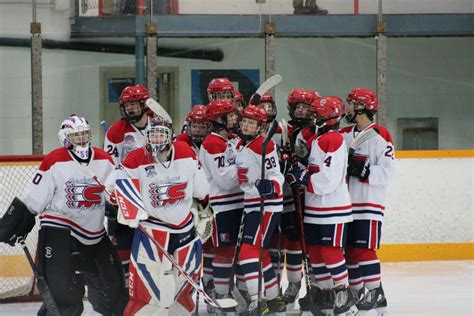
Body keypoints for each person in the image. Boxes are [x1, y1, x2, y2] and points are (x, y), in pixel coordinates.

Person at [0, 115, 127, 316]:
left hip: (94, 233)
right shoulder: (55, 160)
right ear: (65, 138)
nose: (82, 139)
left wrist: (117, 205)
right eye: (76, 135)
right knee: (63, 295)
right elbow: (33, 197)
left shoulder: (104, 159)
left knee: (112, 288)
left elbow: (115, 192)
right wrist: (11, 225)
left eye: (84, 134)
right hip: (60, 232)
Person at [109, 116, 210, 315]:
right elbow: (113, 187)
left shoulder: (185, 152)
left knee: (181, 293)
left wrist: (204, 211)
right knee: (146, 296)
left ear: (170, 136)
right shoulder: (136, 158)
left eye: (160, 134)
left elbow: (202, 190)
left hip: (185, 233)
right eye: (151, 134)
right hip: (152, 232)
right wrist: (122, 202)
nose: (155, 139)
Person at [339, 88, 394, 314]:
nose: (347, 108)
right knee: (349, 252)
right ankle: (356, 291)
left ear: (362, 107)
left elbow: (387, 172)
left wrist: (365, 170)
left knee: (364, 250)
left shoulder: (381, 135)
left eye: (351, 103)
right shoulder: (344, 134)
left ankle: (375, 292)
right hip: (345, 205)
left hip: (368, 205)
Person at [235, 105, 286, 315]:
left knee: (248, 252)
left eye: (251, 123)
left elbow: (276, 174)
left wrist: (271, 186)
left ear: (259, 127)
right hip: (252, 205)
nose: (246, 125)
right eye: (244, 121)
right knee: (260, 254)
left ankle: (258, 301)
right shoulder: (244, 145)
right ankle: (274, 299)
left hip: (266, 206)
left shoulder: (263, 146)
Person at [198, 99, 246, 313]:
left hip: (238, 204)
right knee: (225, 252)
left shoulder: (232, 139)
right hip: (223, 208)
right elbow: (226, 179)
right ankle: (221, 295)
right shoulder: (212, 143)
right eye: (232, 115)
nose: (236, 118)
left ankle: (239, 292)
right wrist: (246, 167)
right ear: (219, 119)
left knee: (240, 251)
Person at [103, 84, 152, 290]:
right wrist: (112, 195)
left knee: (152, 245)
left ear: (144, 105)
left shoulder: (158, 126)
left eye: (134, 104)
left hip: (152, 195)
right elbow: (110, 167)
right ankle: (124, 290)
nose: (130, 109)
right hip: (126, 195)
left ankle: (149, 288)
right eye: (127, 105)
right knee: (122, 245)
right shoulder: (116, 132)